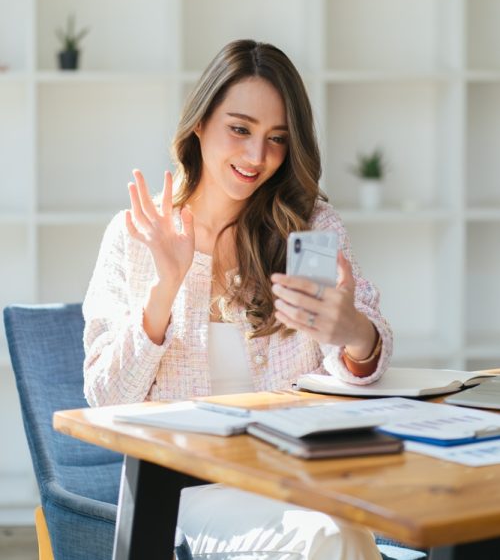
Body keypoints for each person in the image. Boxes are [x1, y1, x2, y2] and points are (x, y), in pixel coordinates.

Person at [83, 39, 393, 560]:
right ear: (200, 123)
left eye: (277, 138)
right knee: (328, 538)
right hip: (190, 491)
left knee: (337, 533)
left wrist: (352, 333)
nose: (258, 157)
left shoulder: (308, 224)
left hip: (306, 478)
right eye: (240, 129)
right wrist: (166, 288)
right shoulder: (135, 235)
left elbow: (364, 357)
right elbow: (106, 398)